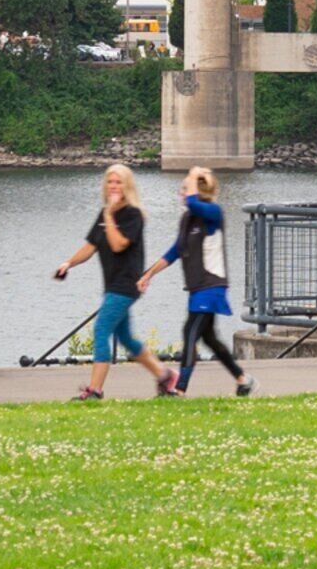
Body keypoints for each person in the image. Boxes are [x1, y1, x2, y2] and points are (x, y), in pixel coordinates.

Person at [50, 163, 172, 401]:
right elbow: (91, 246)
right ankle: (165, 376)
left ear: (128, 187)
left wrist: (109, 215)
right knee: (125, 337)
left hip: (126, 285)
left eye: (119, 182)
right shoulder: (105, 213)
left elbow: (118, 245)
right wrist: (68, 263)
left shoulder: (133, 215)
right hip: (112, 285)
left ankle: (95, 391)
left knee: (101, 329)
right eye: (110, 182)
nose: (114, 186)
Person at [141, 165, 251, 396]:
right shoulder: (187, 219)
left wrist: (192, 175)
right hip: (197, 289)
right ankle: (243, 380)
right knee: (209, 338)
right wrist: (148, 274)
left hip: (210, 287)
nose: (181, 194)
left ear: (197, 189)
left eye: (184, 189)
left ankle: (180, 390)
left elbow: (192, 201)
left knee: (189, 332)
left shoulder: (213, 213)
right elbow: (174, 252)